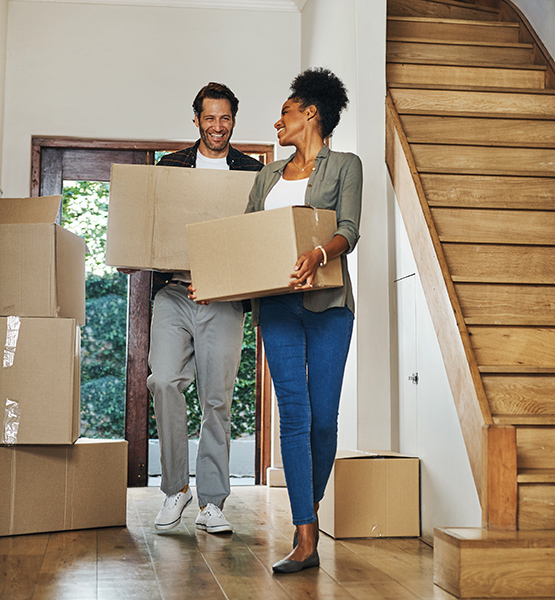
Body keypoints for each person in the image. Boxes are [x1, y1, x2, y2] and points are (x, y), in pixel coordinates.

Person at [120, 82, 263, 534]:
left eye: (225, 118)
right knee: (163, 380)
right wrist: (132, 250)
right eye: (209, 117)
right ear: (196, 119)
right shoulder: (171, 167)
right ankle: (176, 489)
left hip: (223, 298)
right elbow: (150, 228)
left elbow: (257, 241)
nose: (216, 126)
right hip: (174, 294)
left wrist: (224, 280)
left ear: (233, 120)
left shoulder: (252, 172)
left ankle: (212, 503)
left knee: (217, 400)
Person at [245, 67, 362, 573]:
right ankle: (305, 535)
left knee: (322, 419)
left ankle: (306, 508)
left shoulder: (345, 166)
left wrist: (318, 252)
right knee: (293, 414)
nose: (278, 122)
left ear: (311, 113)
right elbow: (244, 238)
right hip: (277, 305)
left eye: (286, 112)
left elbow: (350, 230)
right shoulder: (268, 175)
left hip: (329, 305)